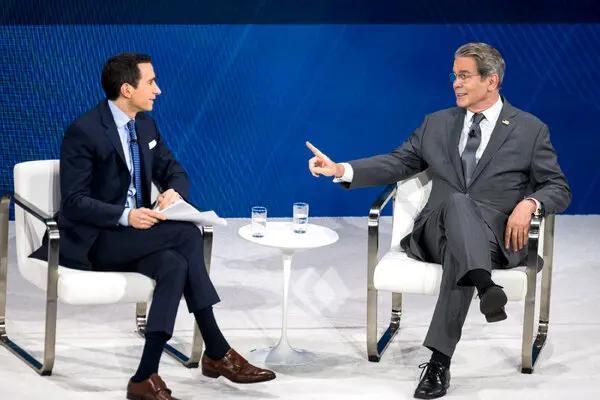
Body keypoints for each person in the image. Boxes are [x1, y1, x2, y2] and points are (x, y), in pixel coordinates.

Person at [306, 42, 571, 399]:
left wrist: (530, 203)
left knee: (463, 252)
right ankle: (481, 291)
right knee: (458, 203)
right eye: (454, 76)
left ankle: (440, 361)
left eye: (464, 76)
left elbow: (558, 186)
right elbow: (398, 162)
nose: (455, 83)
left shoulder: (530, 129)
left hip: (494, 240)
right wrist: (341, 169)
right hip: (435, 233)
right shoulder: (437, 123)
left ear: (491, 81)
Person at [31, 52, 275, 400]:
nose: (158, 90)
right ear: (127, 89)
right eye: (151, 82)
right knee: (186, 234)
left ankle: (145, 376)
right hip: (93, 239)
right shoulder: (84, 131)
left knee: (174, 265)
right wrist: (125, 215)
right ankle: (217, 350)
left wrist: (174, 191)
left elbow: (174, 170)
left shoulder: (145, 125)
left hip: (134, 237)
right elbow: (74, 201)